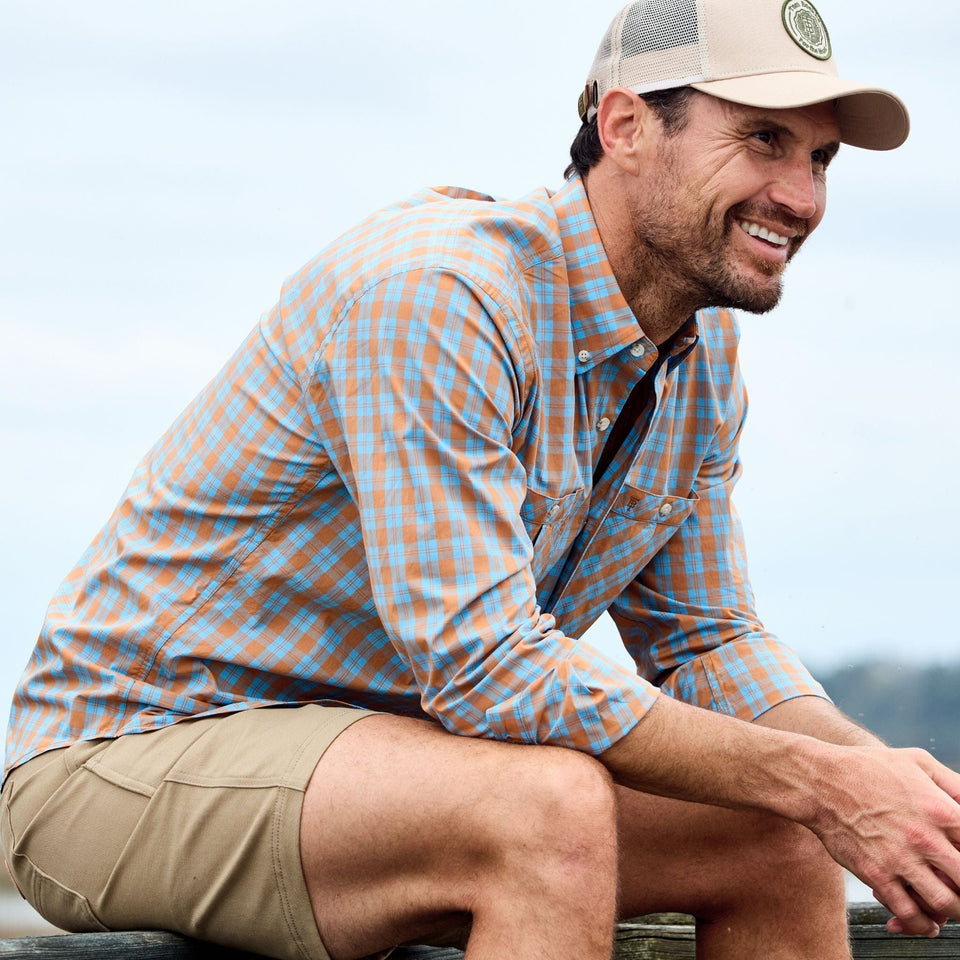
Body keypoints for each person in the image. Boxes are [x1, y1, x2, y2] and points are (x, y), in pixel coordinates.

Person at [3, 0, 959, 957]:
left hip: (394, 770)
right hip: (120, 761)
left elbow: (709, 643)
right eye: (764, 141)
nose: (800, 196)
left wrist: (889, 791)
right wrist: (816, 776)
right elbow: (484, 667)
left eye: (820, 159)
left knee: (782, 833)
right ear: (624, 128)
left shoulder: (700, 353)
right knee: (544, 807)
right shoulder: (441, 294)